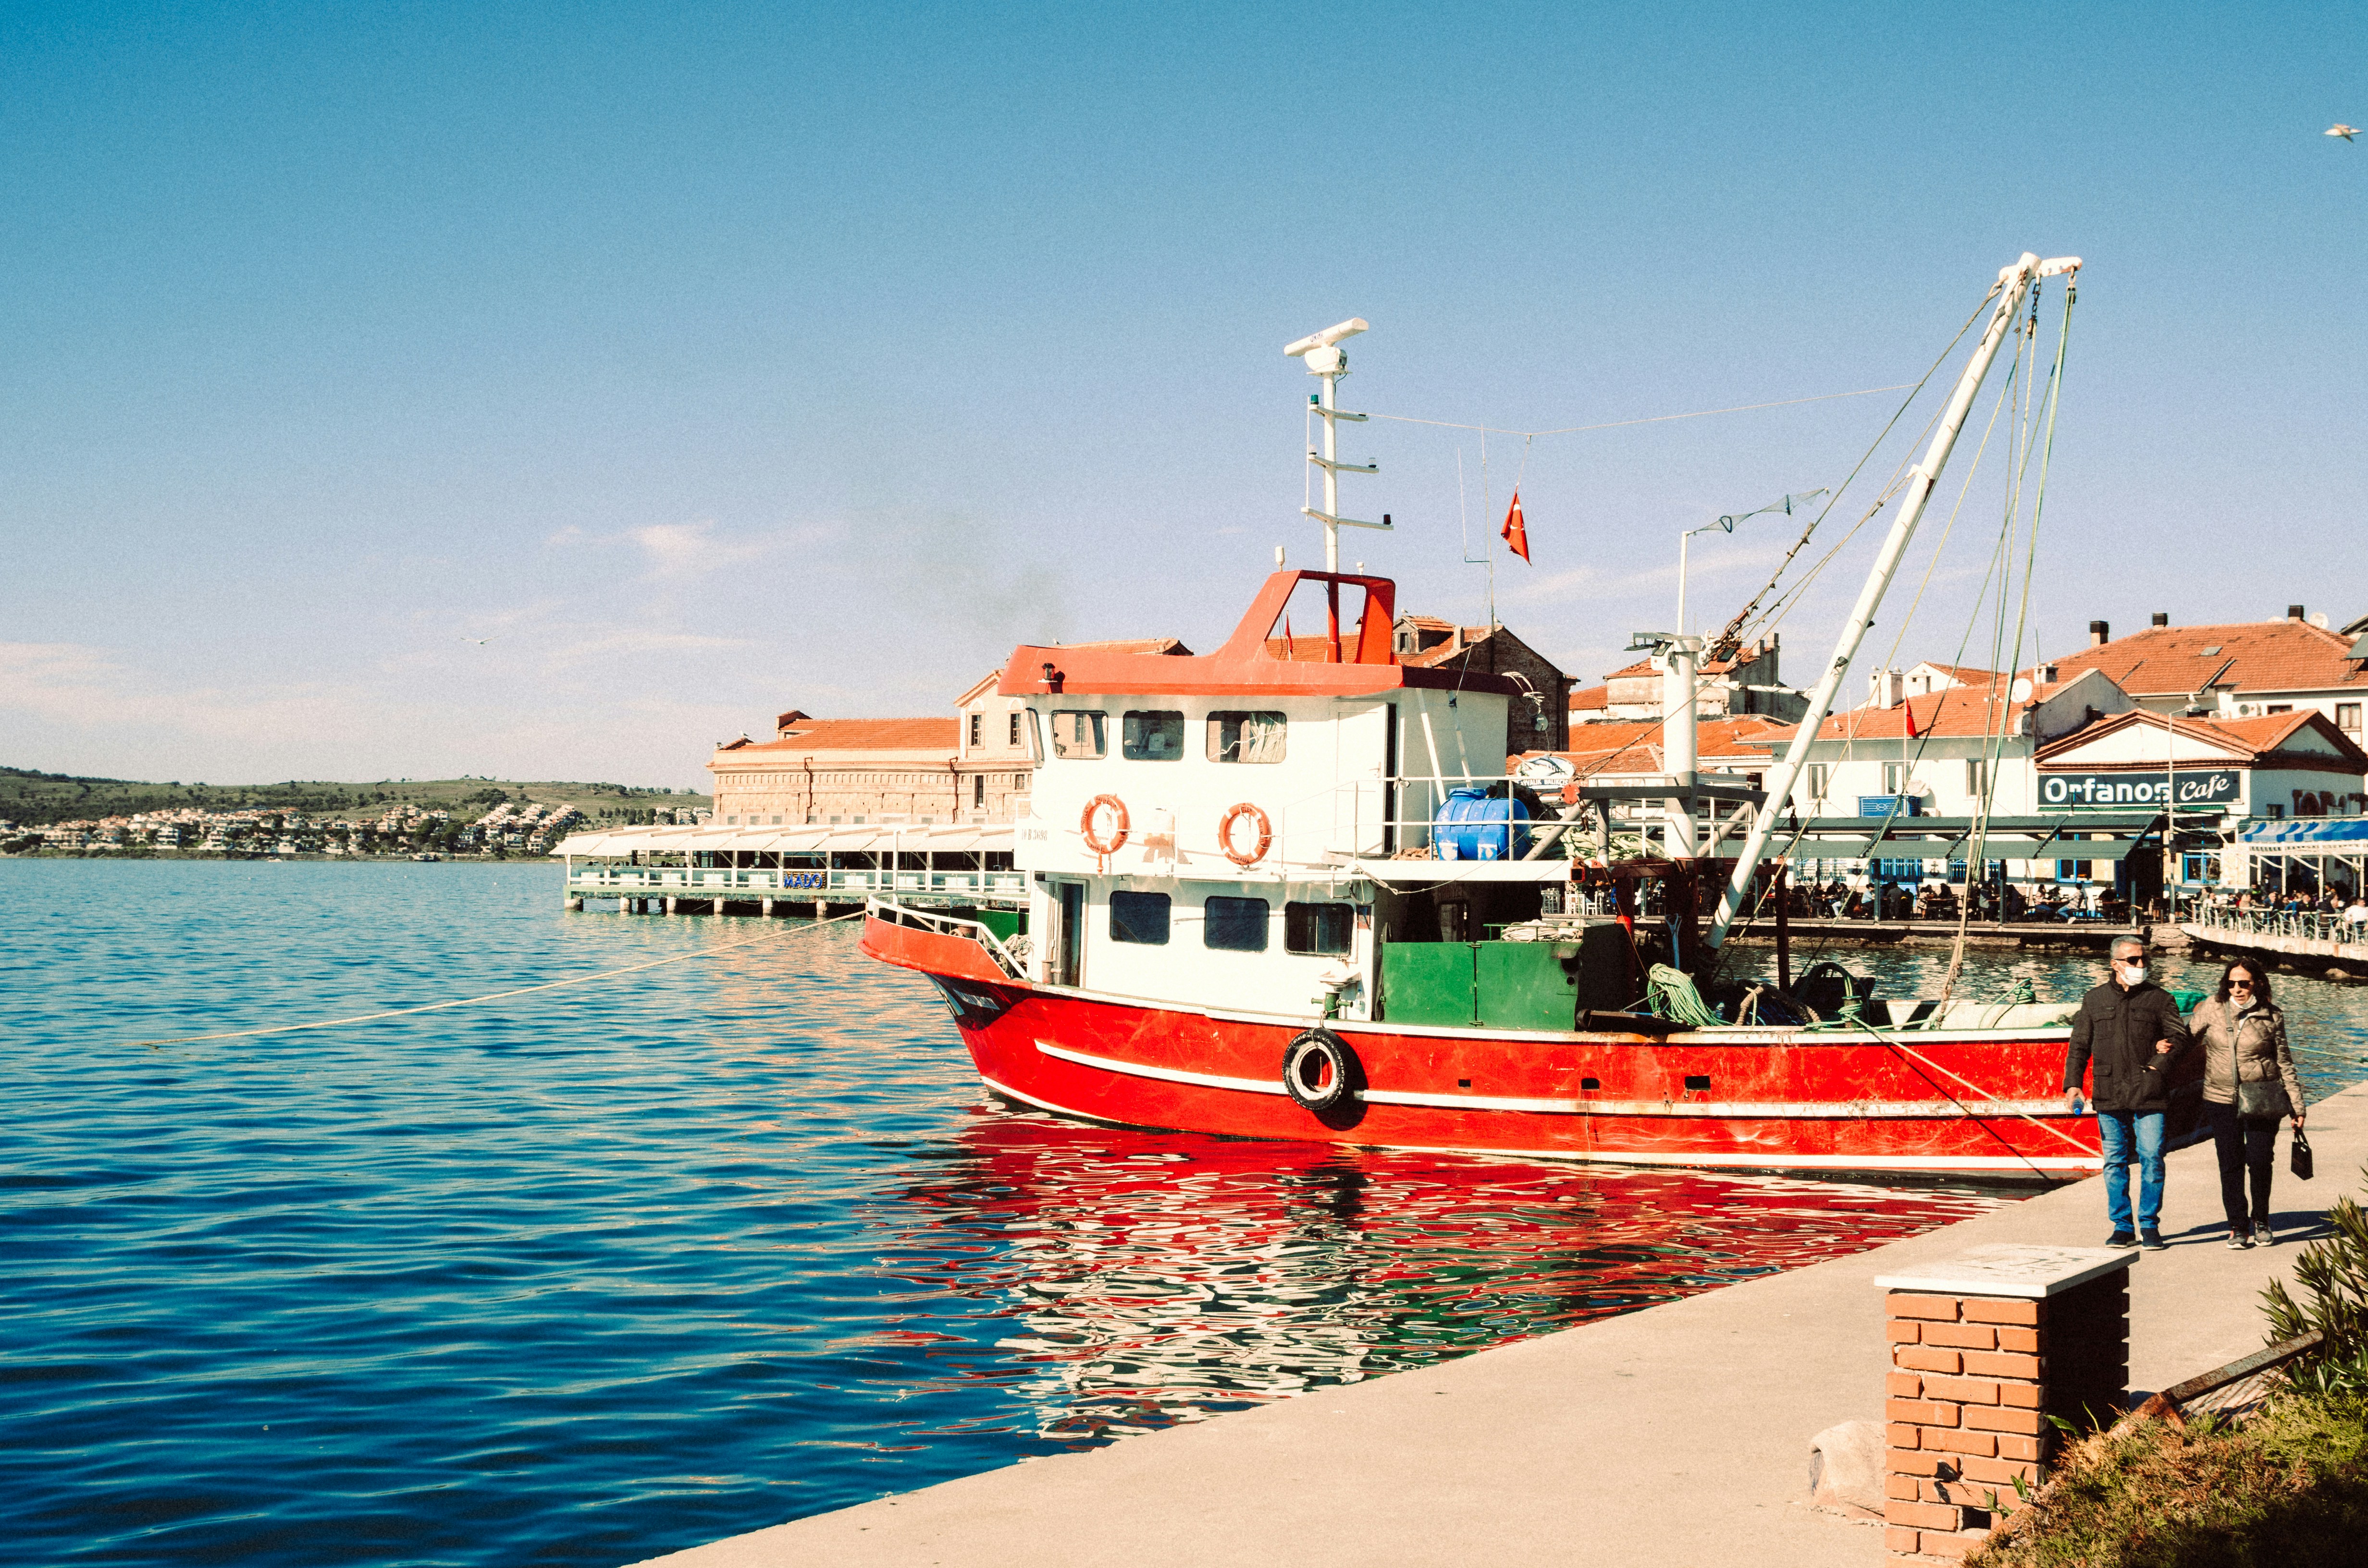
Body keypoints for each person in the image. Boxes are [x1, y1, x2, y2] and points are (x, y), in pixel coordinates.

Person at [2063, 936, 2193, 1250]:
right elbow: (2079, 1047)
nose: (2141, 966)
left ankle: (2149, 1225)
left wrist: (2159, 1061)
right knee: (2115, 1162)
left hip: (2149, 1092)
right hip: (2109, 1092)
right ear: (2115, 964)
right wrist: (2073, 1086)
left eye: (2144, 960)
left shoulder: (2160, 999)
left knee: (2152, 1157)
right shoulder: (2094, 1000)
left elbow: (2180, 1037)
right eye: (2133, 960)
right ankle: (2122, 1226)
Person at [2190, 960, 2306, 1248]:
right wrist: (2159, 1050)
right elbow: (2185, 1038)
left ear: (2258, 984)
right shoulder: (2212, 1008)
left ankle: (2262, 1220)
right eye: (2231, 983)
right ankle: (2237, 1226)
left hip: (2261, 1097)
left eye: (2244, 983)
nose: (2237, 989)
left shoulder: (2272, 1016)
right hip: (2220, 1098)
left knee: (2259, 1160)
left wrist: (2297, 1106)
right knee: (2230, 1163)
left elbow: (2284, 1062)